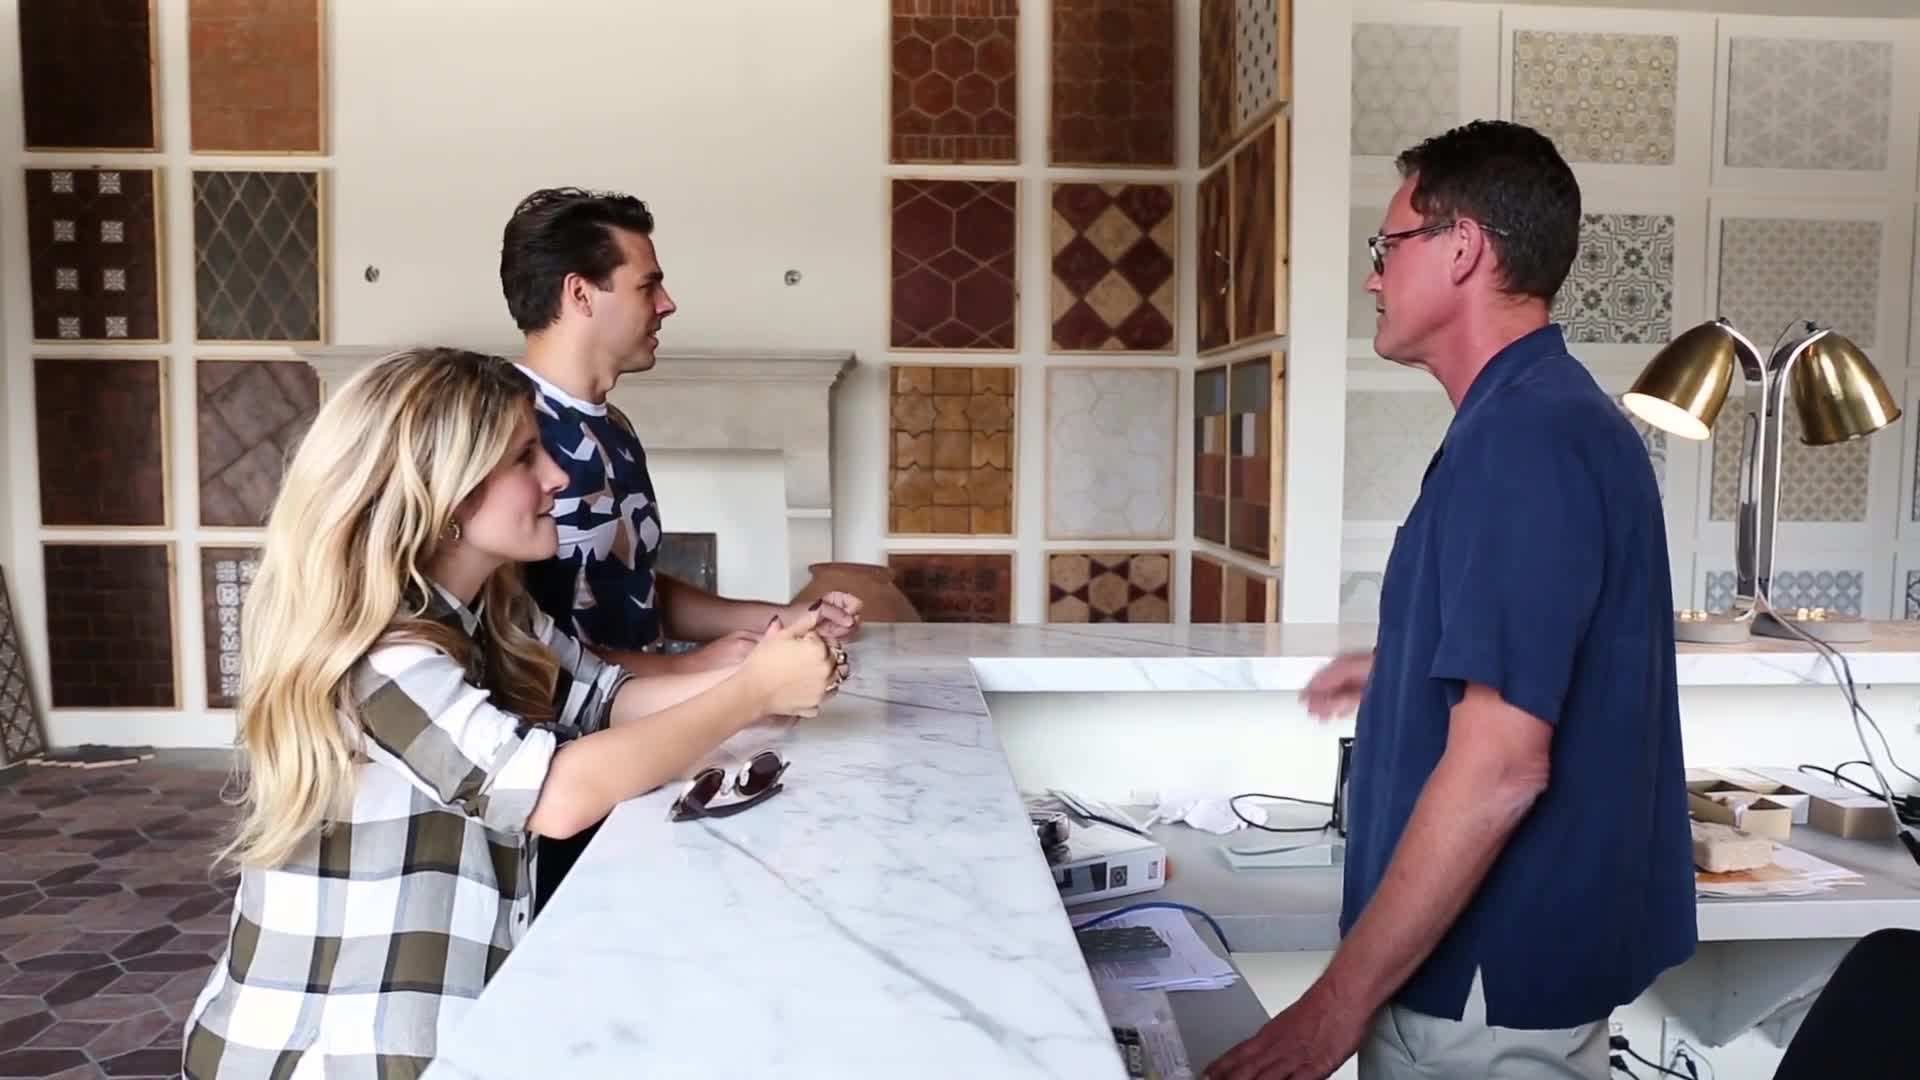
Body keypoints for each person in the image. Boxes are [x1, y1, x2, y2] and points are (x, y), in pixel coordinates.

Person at [182, 349, 840, 1078]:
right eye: (527, 457)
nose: (557, 478)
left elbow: (610, 698)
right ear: (448, 492)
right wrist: (751, 694)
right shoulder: (375, 655)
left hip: (432, 1025)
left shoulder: (491, 612)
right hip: (336, 1049)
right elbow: (556, 795)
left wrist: (767, 669)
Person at [1206, 121, 1696, 1080]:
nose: (1372, 278)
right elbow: (1558, 649)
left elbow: (1502, 770)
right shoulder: (1544, 418)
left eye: (1386, 249)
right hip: (1501, 978)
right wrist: (1412, 664)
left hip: (1482, 988)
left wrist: (1329, 1011)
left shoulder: (1523, 440)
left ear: (1463, 247)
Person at [497, 187, 864, 910]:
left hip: (645, 735)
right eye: (649, 283)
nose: (667, 304)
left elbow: (629, 583)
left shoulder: (614, 424)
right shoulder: (503, 436)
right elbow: (515, 643)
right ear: (580, 293)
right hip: (557, 775)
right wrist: (710, 671)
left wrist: (769, 619)